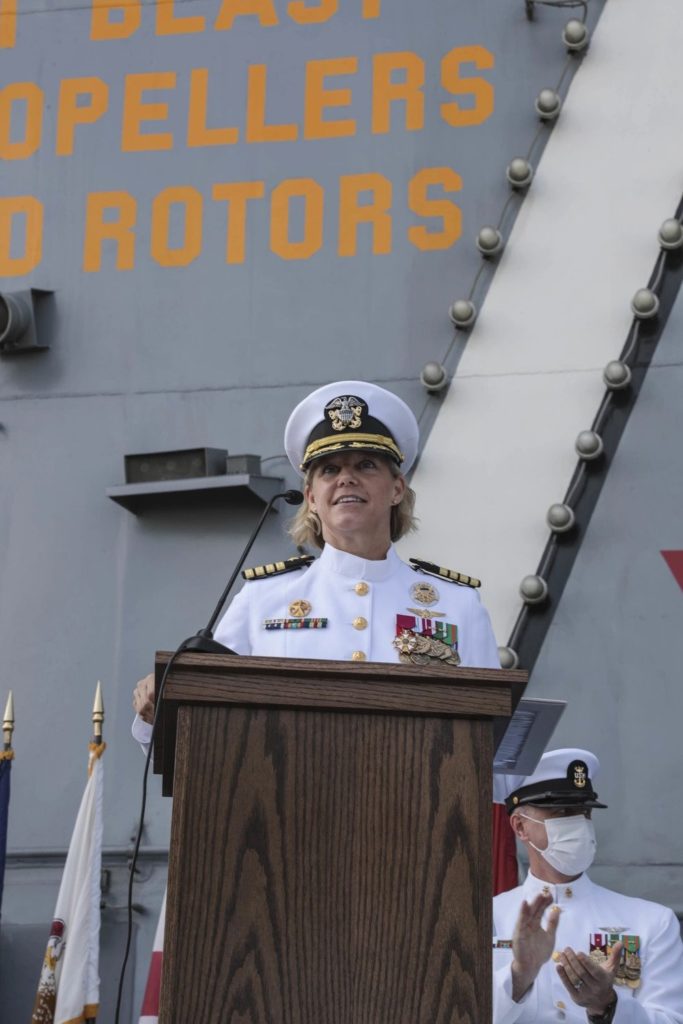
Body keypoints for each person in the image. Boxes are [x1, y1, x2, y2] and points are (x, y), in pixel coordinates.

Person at [133, 380, 499, 733]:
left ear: (397, 489)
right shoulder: (263, 598)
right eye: (330, 470)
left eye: (365, 465)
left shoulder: (458, 605)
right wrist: (160, 707)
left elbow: (492, 735)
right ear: (311, 498)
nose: (346, 478)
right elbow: (205, 720)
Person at [493, 748, 683, 1024]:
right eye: (562, 812)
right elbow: (457, 1012)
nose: (578, 823)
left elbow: (671, 1019)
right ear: (520, 827)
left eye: (584, 812)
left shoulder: (652, 921)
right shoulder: (488, 918)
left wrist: (607, 1005)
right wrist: (519, 975)